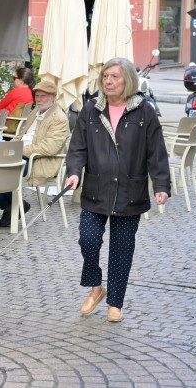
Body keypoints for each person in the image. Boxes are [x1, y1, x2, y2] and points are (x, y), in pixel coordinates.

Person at [65, 57, 171, 323]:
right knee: (88, 239)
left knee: (122, 248)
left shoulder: (144, 111)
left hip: (129, 192)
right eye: (105, 77)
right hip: (96, 189)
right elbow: (77, 147)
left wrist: (161, 185)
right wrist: (74, 172)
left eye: (115, 77)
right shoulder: (91, 109)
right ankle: (96, 287)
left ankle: (115, 303)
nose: (108, 81)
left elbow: (156, 152)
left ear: (128, 81)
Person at [0, 79, 69, 227]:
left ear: (53, 97)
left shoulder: (59, 118)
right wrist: (9, 145)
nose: (38, 99)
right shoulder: (35, 111)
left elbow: (48, 148)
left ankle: (14, 206)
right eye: (37, 96)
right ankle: (13, 205)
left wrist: (17, 150)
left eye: (43, 96)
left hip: (39, 161)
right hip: (20, 154)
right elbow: (21, 135)